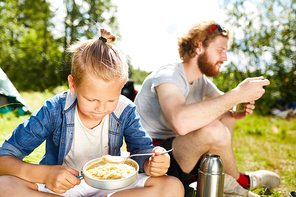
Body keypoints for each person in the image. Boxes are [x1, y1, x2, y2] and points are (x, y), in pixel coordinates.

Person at [0, 28, 184, 197]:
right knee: (4, 186)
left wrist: (152, 164)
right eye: (91, 100)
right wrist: (46, 174)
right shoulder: (55, 109)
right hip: (60, 189)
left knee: (172, 187)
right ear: (73, 84)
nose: (101, 109)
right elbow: (4, 158)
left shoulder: (125, 110)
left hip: (111, 187)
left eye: (111, 100)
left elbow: (142, 151)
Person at [134, 20, 280, 196]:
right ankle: (239, 181)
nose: (225, 58)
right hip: (152, 157)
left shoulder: (201, 81)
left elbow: (224, 104)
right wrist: (238, 93)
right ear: (199, 47)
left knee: (226, 116)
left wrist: (237, 110)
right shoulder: (169, 75)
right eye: (220, 50)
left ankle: (223, 178)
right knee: (212, 129)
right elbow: (180, 122)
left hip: (179, 153)